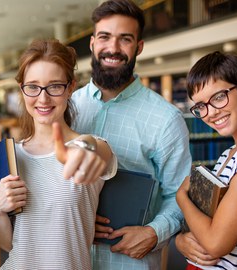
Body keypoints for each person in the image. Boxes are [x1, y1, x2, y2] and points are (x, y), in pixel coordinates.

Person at [71, 0, 192, 269]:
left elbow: (181, 194)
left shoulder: (166, 119)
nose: (112, 49)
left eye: (124, 39)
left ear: (138, 47)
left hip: (128, 263)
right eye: (105, 37)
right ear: (92, 43)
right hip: (69, 258)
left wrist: (154, 232)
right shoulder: (67, 108)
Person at [0, 39, 117, 269]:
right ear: (22, 89)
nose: (43, 98)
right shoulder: (10, 156)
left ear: (70, 88)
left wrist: (85, 145)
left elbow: (97, 151)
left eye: (55, 86)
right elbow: (9, 245)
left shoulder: (93, 148)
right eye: (33, 86)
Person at [175, 51, 237, 270]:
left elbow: (216, 243)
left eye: (219, 97)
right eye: (200, 106)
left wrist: (181, 197)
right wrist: (182, 242)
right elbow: (208, 225)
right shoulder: (230, 154)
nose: (209, 113)